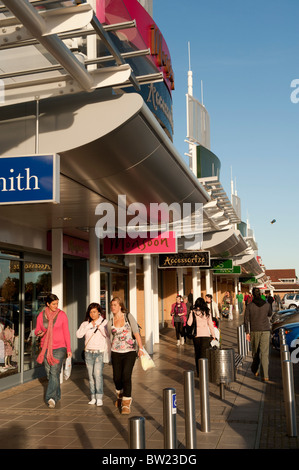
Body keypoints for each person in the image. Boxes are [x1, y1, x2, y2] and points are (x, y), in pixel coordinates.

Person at [107, 297, 144, 415]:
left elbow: (136, 332)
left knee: (126, 376)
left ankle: (126, 403)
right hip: (116, 352)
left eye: (115, 305)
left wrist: (141, 347)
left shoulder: (128, 317)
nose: (113, 307)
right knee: (117, 377)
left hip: (130, 351)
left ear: (120, 306)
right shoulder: (110, 322)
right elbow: (109, 338)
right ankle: (120, 395)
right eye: (111, 305)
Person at [35, 293, 72, 408]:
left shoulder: (62, 315)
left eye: (57, 303)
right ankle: (57, 394)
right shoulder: (41, 316)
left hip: (60, 347)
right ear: (48, 304)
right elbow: (37, 330)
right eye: (54, 304)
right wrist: (39, 333)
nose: (56, 306)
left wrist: (69, 349)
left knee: (54, 372)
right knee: (49, 374)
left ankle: (50, 398)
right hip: (45, 347)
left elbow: (66, 332)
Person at [76, 303, 110, 406]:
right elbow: (78, 335)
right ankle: (93, 397)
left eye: (94, 312)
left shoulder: (105, 322)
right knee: (90, 376)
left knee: (97, 375)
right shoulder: (85, 324)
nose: (92, 314)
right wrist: (90, 325)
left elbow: (108, 335)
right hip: (88, 353)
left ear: (99, 312)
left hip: (99, 352)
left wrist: (100, 328)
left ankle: (99, 396)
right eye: (90, 312)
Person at [244, 287, 272, 381]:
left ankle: (256, 370)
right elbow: (269, 314)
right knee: (264, 353)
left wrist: (247, 332)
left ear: (252, 295)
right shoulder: (267, 305)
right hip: (265, 330)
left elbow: (246, 320)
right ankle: (266, 375)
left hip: (254, 330)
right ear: (260, 294)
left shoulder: (249, 306)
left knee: (255, 352)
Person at [187, 297, 216, 376]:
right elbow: (210, 324)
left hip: (196, 336)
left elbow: (189, 323)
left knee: (197, 354)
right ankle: (205, 371)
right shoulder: (207, 312)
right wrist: (213, 335)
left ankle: (199, 371)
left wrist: (191, 314)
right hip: (205, 335)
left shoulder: (193, 312)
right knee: (204, 354)